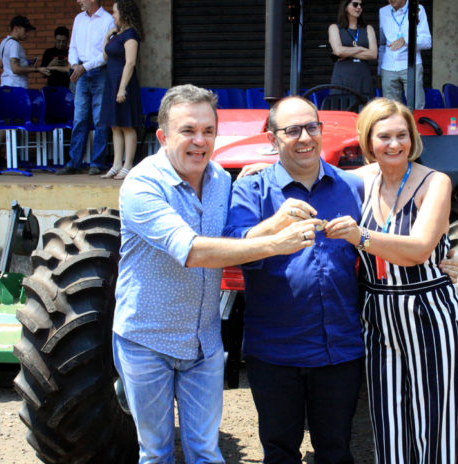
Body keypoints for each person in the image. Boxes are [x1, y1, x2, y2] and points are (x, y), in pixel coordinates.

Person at [224, 96, 458, 463]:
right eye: (291, 130)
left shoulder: (350, 185)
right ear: (272, 139)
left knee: (338, 451)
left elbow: (414, 230)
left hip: (341, 348)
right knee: (280, 450)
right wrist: (273, 219)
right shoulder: (252, 188)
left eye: (311, 127)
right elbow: (231, 248)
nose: (304, 137)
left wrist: (446, 252)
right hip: (276, 349)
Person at [112, 85, 318, 463]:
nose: (200, 141)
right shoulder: (141, 186)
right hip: (147, 341)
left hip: (204, 341)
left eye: (208, 131)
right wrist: (278, 243)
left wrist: (272, 216)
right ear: (162, 136)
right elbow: (193, 251)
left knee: (206, 452)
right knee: (156, 453)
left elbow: (231, 238)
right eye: (188, 131)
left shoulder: (222, 180)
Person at [324, 97, 458, 463]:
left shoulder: (434, 183)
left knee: (432, 419)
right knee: (387, 419)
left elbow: (417, 249)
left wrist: (360, 236)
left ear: (413, 138)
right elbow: (309, 179)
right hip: (377, 309)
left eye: (402, 135)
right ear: (368, 141)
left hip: (428, 308)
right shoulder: (356, 182)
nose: (395, 144)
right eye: (384, 136)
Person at [57, 0, 115, 175]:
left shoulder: (108, 20)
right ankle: (74, 162)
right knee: (79, 118)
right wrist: (74, 64)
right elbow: (72, 47)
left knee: (99, 119)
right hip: (80, 72)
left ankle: (96, 163)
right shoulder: (78, 19)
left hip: (99, 71)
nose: (78, 1)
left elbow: (106, 54)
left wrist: (85, 67)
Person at [99, 0, 143, 180]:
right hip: (111, 81)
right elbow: (105, 56)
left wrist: (122, 88)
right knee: (115, 124)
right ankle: (116, 164)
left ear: (124, 13)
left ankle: (128, 165)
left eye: (115, 12)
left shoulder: (131, 35)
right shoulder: (118, 34)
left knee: (126, 124)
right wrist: (107, 37)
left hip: (123, 83)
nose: (112, 15)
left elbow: (130, 62)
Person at [0, 15, 50, 158]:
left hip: (6, 86)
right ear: (17, 28)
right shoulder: (14, 45)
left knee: (6, 122)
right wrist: (37, 69)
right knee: (18, 122)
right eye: (26, 30)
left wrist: (26, 63)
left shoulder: (4, 42)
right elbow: (15, 69)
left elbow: (3, 65)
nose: (27, 34)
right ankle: (12, 158)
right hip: (16, 89)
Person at [378, 0, 432, 109]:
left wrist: (406, 41)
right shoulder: (383, 11)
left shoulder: (418, 9)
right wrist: (380, 68)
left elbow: (427, 42)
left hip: (411, 64)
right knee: (389, 110)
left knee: (416, 107)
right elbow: (382, 43)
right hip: (388, 65)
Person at [328, 0, 377, 103]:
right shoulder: (334, 28)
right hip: (342, 77)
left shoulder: (368, 28)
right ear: (345, 7)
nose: (358, 7)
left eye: (361, 5)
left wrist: (347, 52)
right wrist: (361, 49)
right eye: (355, 4)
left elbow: (373, 54)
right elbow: (338, 51)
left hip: (362, 77)